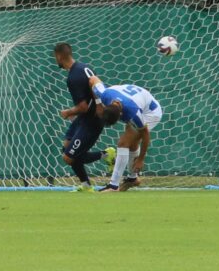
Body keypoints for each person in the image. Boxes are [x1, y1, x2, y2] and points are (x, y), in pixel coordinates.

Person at [54, 43, 115, 192]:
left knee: (68, 157)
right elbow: (95, 84)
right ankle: (86, 185)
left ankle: (106, 155)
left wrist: (68, 112)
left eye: (55, 57)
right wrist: (99, 103)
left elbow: (83, 107)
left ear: (59, 56)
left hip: (92, 120)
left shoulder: (73, 78)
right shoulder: (84, 67)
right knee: (67, 146)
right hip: (85, 117)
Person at [89, 76, 163, 192]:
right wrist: (98, 104)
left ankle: (113, 186)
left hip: (150, 112)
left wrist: (141, 159)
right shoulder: (104, 95)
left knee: (123, 143)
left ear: (121, 114)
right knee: (131, 144)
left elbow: (146, 135)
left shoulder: (133, 115)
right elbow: (92, 79)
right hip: (136, 100)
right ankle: (132, 179)